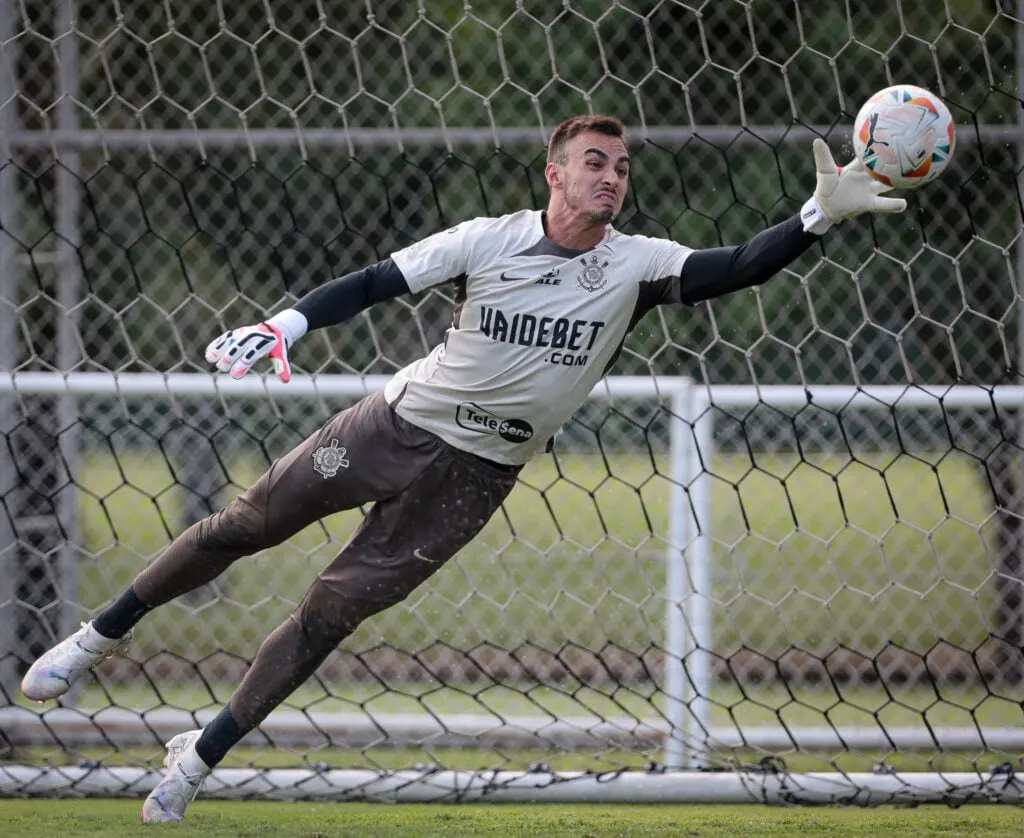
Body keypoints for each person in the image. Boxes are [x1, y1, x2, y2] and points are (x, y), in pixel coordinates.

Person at [20, 115, 905, 822]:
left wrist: (816, 217)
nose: (611, 176)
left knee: (329, 613)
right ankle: (98, 635)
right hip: (390, 426)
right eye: (595, 162)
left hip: (474, 479)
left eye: (622, 167)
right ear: (554, 175)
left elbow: (738, 268)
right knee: (248, 525)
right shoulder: (489, 239)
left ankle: (200, 755)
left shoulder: (635, 264)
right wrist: (284, 326)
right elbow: (374, 281)